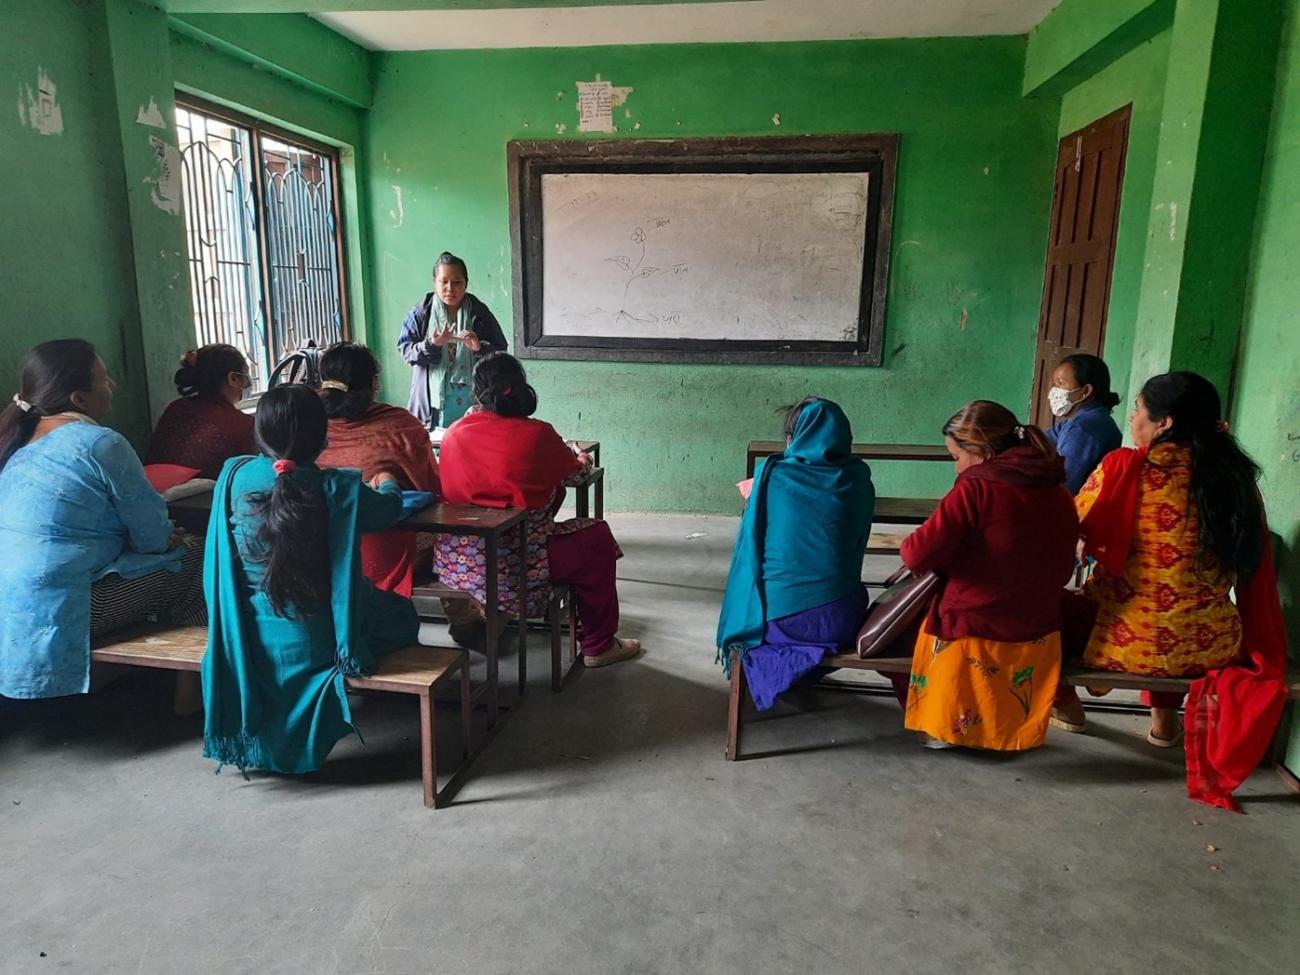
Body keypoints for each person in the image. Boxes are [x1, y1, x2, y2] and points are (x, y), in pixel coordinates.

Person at [1051, 373, 1289, 809]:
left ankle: (1069, 707)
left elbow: (1064, 526)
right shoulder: (1235, 482)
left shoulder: (1123, 468)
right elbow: (1251, 564)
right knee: (1169, 602)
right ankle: (1163, 723)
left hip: (1122, 645)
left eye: (1139, 410)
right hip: (1210, 644)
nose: (1133, 419)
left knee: (1040, 614)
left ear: (1164, 423)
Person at [201, 384, 420, 774]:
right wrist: (386, 478)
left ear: (259, 432)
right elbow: (388, 510)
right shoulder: (338, 487)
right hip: (322, 637)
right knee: (401, 616)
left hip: (249, 634)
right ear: (322, 438)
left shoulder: (233, 476)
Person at [0, 339, 206, 701]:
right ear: (79, 398)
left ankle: (115, 671)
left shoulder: (14, 439)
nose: (112, 386)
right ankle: (191, 690)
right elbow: (153, 536)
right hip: (68, 607)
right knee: (198, 558)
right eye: (105, 378)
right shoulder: (99, 443)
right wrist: (158, 539)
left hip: (11, 607)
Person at [435, 352, 640, 668]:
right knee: (596, 536)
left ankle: (488, 613)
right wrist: (579, 457)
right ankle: (599, 645)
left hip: (461, 565)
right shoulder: (537, 434)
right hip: (519, 566)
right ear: (515, 389)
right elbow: (578, 475)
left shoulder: (454, 433)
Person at [899, 401, 1078, 750]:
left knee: (903, 627)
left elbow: (915, 554)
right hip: (1039, 626)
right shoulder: (1056, 490)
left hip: (976, 625)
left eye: (956, 457)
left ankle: (949, 724)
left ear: (979, 450)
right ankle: (1020, 722)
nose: (957, 468)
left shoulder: (975, 488)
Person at [716, 398, 875, 709]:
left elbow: (753, 550)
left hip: (781, 623)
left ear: (794, 438)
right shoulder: (859, 478)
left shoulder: (772, 476)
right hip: (845, 618)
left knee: (755, 589)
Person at [315, 342, 440, 597]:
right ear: (373, 383)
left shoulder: (307, 425)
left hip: (317, 552)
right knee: (448, 532)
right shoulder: (401, 426)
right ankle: (463, 617)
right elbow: (431, 487)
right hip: (384, 553)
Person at [397, 252, 507, 430]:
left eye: (457, 282)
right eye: (444, 281)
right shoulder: (421, 313)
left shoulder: (479, 313)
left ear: (466, 284)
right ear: (435, 282)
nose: (450, 288)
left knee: (469, 447)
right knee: (436, 451)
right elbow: (406, 350)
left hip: (472, 400)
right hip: (431, 403)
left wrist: (479, 348)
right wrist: (432, 345)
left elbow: (501, 354)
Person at [146, 344, 256, 480]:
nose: (247, 382)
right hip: (205, 499)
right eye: (244, 375)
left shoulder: (176, 408)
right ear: (232, 379)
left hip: (153, 494)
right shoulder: (242, 424)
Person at [1043, 353, 1123, 494]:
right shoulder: (1078, 421)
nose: (1053, 392)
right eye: (1054, 384)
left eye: (1060, 384)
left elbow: (1065, 485)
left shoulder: (1084, 427)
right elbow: (1039, 440)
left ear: (1085, 391)